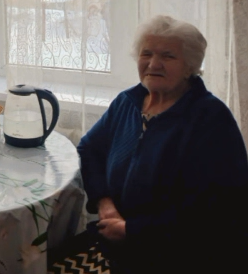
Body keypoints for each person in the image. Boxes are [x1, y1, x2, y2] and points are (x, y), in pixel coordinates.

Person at [75, 15, 248, 274]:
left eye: (168, 56)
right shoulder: (127, 102)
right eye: (146, 53)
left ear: (190, 66)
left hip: (184, 260)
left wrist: (132, 230)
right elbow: (89, 149)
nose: (154, 64)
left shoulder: (210, 119)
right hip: (123, 253)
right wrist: (104, 202)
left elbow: (216, 208)